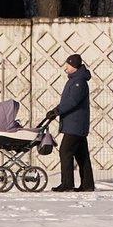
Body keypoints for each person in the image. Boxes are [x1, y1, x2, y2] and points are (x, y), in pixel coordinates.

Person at [41, 53, 95, 193]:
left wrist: (57, 111)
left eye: (68, 64)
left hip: (75, 124)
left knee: (65, 151)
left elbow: (72, 101)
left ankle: (67, 184)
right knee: (81, 155)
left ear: (74, 66)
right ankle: (87, 185)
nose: (66, 66)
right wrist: (56, 112)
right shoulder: (75, 79)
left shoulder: (79, 82)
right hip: (75, 123)